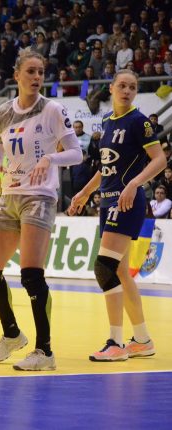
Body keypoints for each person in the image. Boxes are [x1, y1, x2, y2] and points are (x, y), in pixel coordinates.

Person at [0, 49, 82, 371]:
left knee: (31, 274)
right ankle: (11, 334)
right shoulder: (1, 114)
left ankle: (45, 351)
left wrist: (50, 158)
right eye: (31, 72)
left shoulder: (52, 109)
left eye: (41, 72)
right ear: (17, 75)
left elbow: (77, 153)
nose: (37, 77)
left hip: (39, 195)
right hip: (9, 194)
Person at [69, 70, 166, 361]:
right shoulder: (107, 122)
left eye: (132, 87)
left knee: (104, 268)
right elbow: (106, 167)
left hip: (125, 203)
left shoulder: (139, 122)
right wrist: (85, 192)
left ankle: (115, 342)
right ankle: (143, 340)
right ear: (111, 89)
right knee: (121, 272)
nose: (127, 90)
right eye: (122, 86)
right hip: (107, 201)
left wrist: (135, 184)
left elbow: (160, 159)